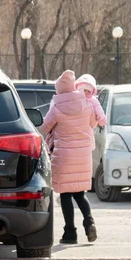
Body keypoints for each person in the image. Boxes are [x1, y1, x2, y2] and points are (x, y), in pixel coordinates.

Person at [40, 70, 98, 244]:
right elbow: (93, 123)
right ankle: (89, 221)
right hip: (83, 155)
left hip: (64, 156)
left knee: (65, 195)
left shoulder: (57, 107)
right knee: (80, 194)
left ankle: (70, 233)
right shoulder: (87, 105)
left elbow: (44, 127)